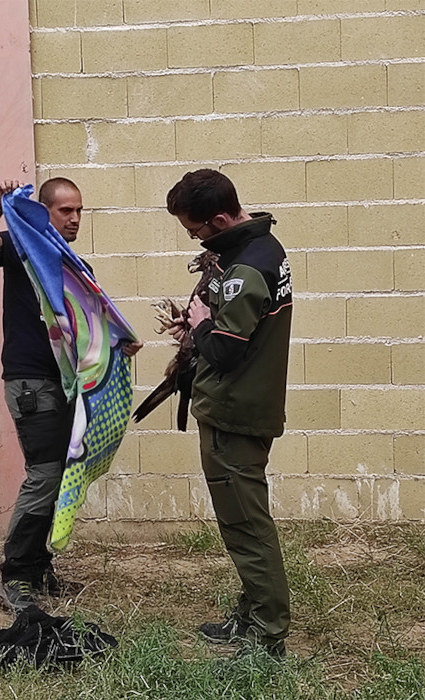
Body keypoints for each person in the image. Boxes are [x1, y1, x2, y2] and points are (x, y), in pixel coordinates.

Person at [0, 177, 142, 613]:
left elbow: (90, 328)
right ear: (45, 212)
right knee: (45, 476)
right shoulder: (22, 250)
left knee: (61, 475)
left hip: (66, 384)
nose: (75, 218)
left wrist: (118, 343)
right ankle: (16, 575)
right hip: (31, 382)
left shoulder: (76, 269)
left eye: (80, 210)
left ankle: (38, 566)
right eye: (66, 211)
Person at [166, 169, 292, 658]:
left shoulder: (248, 268)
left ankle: (267, 632)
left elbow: (225, 351)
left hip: (235, 414)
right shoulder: (260, 250)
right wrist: (199, 326)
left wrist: (199, 329)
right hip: (241, 405)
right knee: (241, 520)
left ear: (219, 219)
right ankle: (252, 610)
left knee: (246, 525)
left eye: (197, 231)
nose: (195, 239)